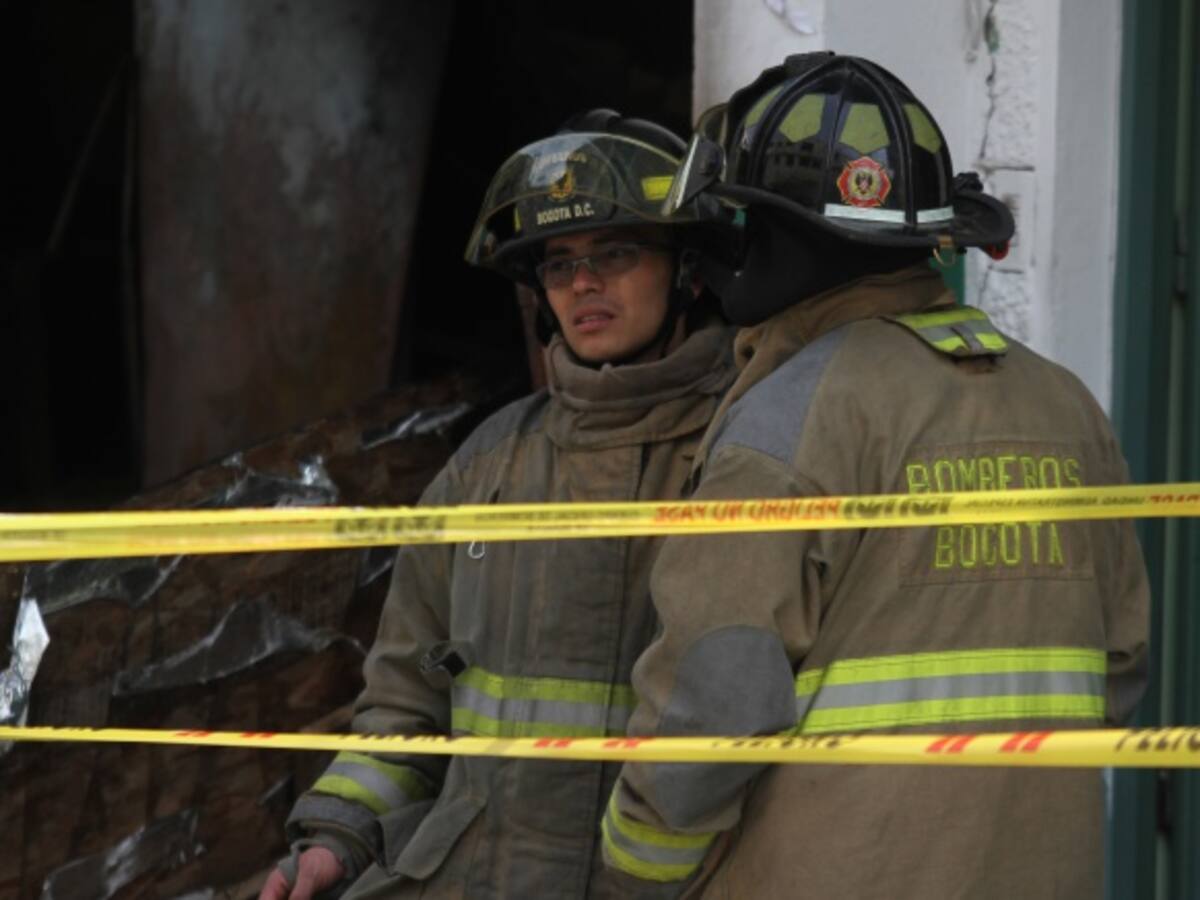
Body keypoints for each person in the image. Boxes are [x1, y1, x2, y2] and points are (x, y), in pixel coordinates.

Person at [601, 53, 1150, 899]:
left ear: (780, 233)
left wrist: (634, 873)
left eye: (737, 221)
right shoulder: (1066, 405)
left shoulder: (791, 414)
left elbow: (716, 700)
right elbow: (1120, 668)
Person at [259, 110, 738, 900]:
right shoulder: (490, 462)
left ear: (687, 267)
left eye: (614, 252)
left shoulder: (741, 454)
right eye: (558, 265)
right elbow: (406, 701)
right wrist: (336, 837)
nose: (583, 284)